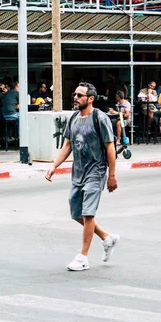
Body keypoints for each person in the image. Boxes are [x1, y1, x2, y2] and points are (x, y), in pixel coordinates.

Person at [45, 82, 119, 271]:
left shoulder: (99, 118)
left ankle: (83, 257)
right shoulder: (74, 118)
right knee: (76, 213)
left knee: (88, 214)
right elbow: (67, 145)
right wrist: (54, 166)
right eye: (75, 94)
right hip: (78, 172)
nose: (76, 98)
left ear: (91, 99)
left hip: (96, 171)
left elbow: (110, 147)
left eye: (80, 95)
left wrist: (112, 175)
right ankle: (107, 238)